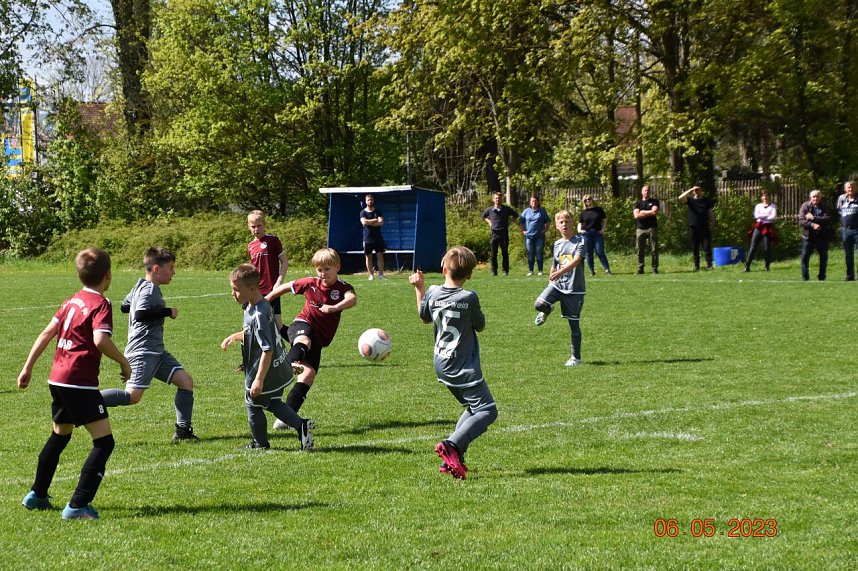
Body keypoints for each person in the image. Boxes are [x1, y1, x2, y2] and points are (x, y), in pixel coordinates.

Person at [17, 247, 132, 520]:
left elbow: (47, 333)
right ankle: (78, 505)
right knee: (104, 443)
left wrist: (27, 368)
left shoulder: (72, 301)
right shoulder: (100, 304)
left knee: (60, 434)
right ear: (108, 275)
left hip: (57, 378)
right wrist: (124, 362)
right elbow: (100, 340)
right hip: (79, 382)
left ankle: (37, 495)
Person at [408, 246, 497, 480]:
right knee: (488, 410)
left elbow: (423, 316)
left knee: (473, 408)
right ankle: (452, 445)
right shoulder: (469, 297)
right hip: (462, 366)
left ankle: (455, 458)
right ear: (469, 274)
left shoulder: (434, 293)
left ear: (444, 268)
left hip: (441, 362)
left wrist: (420, 289)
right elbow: (480, 325)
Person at [100, 247, 200, 443]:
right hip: (143, 351)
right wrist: (167, 311)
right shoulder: (149, 289)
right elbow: (140, 314)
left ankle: (183, 433)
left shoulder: (139, 285)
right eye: (170, 268)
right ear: (156, 268)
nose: (173, 273)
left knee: (185, 382)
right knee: (133, 396)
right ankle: (86, 402)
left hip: (157, 351)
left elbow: (125, 307)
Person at [220, 265, 314, 450]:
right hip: (276, 367)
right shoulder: (259, 306)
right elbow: (262, 336)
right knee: (271, 402)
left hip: (265, 370)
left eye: (236, 289)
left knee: (252, 404)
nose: (233, 293)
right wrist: (236, 337)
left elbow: (267, 349)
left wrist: (259, 380)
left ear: (252, 288)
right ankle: (301, 426)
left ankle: (260, 443)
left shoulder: (259, 314)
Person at [267, 248, 357, 428]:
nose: (323, 274)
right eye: (319, 269)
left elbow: (352, 299)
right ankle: (289, 363)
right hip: (302, 325)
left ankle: (286, 417)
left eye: (327, 269)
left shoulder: (343, 287)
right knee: (304, 341)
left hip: (320, 339)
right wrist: (265, 301)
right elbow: (286, 287)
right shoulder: (310, 283)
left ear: (337, 267)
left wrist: (334, 307)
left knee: (308, 375)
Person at [533, 210, 586, 366]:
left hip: (574, 289)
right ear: (556, 225)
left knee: (574, 325)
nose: (564, 224)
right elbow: (556, 263)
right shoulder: (557, 244)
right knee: (539, 304)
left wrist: (561, 272)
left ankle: (576, 358)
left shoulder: (580, 241)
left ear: (572, 223)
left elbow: (576, 260)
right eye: (561, 222)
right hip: (557, 285)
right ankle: (546, 312)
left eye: (567, 221)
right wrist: (552, 275)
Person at [247, 210, 288, 332]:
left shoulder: (272, 240)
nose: (256, 229)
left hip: (272, 289)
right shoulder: (250, 246)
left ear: (264, 225)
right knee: (254, 322)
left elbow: (284, 262)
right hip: (256, 290)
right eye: (253, 226)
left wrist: (279, 282)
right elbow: (252, 269)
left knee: (278, 325)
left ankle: (299, 343)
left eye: (259, 226)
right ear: (248, 226)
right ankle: (260, 349)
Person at [678, 185, 714, 271]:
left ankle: (709, 265)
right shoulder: (690, 200)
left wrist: (713, 221)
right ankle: (696, 266)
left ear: (701, 190)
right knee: (695, 248)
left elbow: (710, 211)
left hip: (705, 226)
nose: (696, 191)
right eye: (695, 190)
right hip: (693, 227)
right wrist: (690, 189)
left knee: (707, 247)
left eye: (698, 190)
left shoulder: (706, 200)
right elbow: (680, 197)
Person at [481, 191, 518, 276]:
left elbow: (515, 215)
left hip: (504, 233)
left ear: (502, 199)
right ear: (493, 199)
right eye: (496, 198)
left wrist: (509, 222)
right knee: (493, 253)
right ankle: (494, 271)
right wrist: (489, 222)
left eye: (499, 198)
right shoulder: (490, 209)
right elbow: (483, 216)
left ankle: (505, 271)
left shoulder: (506, 209)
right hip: (494, 233)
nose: (498, 200)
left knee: (504, 253)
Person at [798, 190, 832, 281]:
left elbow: (827, 219)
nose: (815, 198)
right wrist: (812, 225)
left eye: (817, 196)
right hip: (808, 236)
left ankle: (822, 277)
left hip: (822, 236)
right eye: (813, 196)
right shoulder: (805, 206)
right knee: (805, 257)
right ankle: (805, 277)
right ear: (810, 197)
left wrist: (813, 218)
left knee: (823, 257)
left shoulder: (825, 206)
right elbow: (801, 220)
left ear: (820, 198)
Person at [577, 195, 611, 276]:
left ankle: (607, 269)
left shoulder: (599, 210)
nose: (588, 201)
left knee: (600, 251)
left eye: (589, 199)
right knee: (588, 253)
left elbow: (605, 220)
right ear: (584, 202)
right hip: (586, 234)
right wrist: (579, 230)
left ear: (592, 199)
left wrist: (603, 229)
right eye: (585, 200)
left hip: (597, 233)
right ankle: (592, 271)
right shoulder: (583, 212)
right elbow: (580, 223)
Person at [744, 191, 777, 272]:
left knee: (767, 247)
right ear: (761, 197)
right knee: (753, 246)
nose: (765, 197)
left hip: (768, 227)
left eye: (766, 195)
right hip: (759, 226)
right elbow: (756, 215)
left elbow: (773, 217)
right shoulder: (758, 206)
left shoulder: (773, 206)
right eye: (763, 196)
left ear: (769, 197)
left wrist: (762, 216)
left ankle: (767, 266)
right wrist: (766, 215)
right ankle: (747, 266)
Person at [518, 195, 551, 276]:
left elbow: (548, 221)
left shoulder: (542, 211)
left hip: (539, 236)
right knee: (530, 254)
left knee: (539, 253)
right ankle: (531, 270)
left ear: (538, 202)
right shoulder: (526, 211)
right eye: (532, 201)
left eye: (535, 201)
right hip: (529, 236)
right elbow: (521, 221)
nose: (534, 202)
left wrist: (545, 230)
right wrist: (523, 231)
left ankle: (540, 270)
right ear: (530, 202)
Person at [633, 184, 660, 274]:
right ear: (642, 192)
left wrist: (643, 212)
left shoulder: (654, 201)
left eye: (648, 190)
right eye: (645, 190)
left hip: (652, 227)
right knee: (640, 249)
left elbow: (655, 211)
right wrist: (649, 212)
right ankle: (640, 269)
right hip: (640, 228)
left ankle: (654, 269)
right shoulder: (638, 203)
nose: (646, 192)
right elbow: (636, 215)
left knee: (654, 249)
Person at [360, 194, 387, 280]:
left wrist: (369, 222)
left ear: (373, 200)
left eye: (371, 200)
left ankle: (381, 275)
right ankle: (371, 275)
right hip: (367, 238)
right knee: (368, 257)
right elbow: (364, 222)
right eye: (368, 200)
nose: (370, 201)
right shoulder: (363, 212)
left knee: (380, 255)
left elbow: (381, 222)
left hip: (378, 238)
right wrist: (375, 220)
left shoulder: (378, 211)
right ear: (366, 201)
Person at [836, 181, 858, 281]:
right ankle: (850, 275)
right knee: (848, 255)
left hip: (857, 229)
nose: (851, 189)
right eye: (849, 187)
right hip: (846, 230)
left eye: (853, 187)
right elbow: (839, 212)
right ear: (845, 189)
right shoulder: (841, 199)